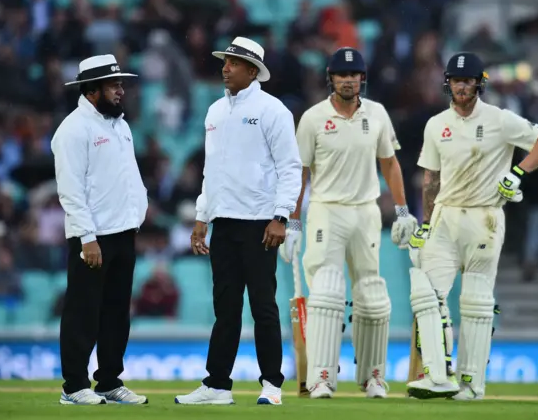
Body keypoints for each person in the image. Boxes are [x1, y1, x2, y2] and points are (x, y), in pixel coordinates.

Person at [406, 52, 538, 400]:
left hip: (484, 217)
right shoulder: (436, 124)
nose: (462, 86)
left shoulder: (500, 119)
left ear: (480, 82)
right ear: (448, 83)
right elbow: (431, 177)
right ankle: (438, 376)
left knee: (476, 303)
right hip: (445, 217)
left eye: (469, 80)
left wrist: (517, 173)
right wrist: (426, 223)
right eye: (457, 80)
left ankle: (472, 384)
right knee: (425, 292)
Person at [279, 47, 417, 399]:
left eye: (354, 74)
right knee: (326, 292)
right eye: (342, 74)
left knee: (372, 296)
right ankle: (322, 377)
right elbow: (301, 174)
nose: (348, 79)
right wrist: (293, 223)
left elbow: (390, 164)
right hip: (327, 209)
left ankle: (373, 377)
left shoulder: (378, 114)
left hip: (366, 211)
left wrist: (402, 211)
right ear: (331, 77)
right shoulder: (313, 118)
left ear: (362, 78)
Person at [175, 37, 302, 406]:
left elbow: (290, 168)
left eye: (232, 63)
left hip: (261, 222)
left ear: (252, 70)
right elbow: (209, 172)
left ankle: (272, 385)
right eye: (225, 62)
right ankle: (217, 386)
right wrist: (202, 217)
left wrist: (281, 217)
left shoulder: (272, 110)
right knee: (226, 308)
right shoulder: (214, 111)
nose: (225, 68)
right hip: (224, 223)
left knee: (263, 306)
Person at [52, 54, 149, 405]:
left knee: (116, 312)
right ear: (92, 91)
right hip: (91, 236)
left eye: (120, 84)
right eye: (114, 85)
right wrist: (86, 237)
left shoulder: (119, 125)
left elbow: (127, 178)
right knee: (83, 310)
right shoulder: (73, 129)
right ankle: (74, 387)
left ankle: (109, 381)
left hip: (124, 232)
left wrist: (138, 212)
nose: (121, 90)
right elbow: (71, 190)